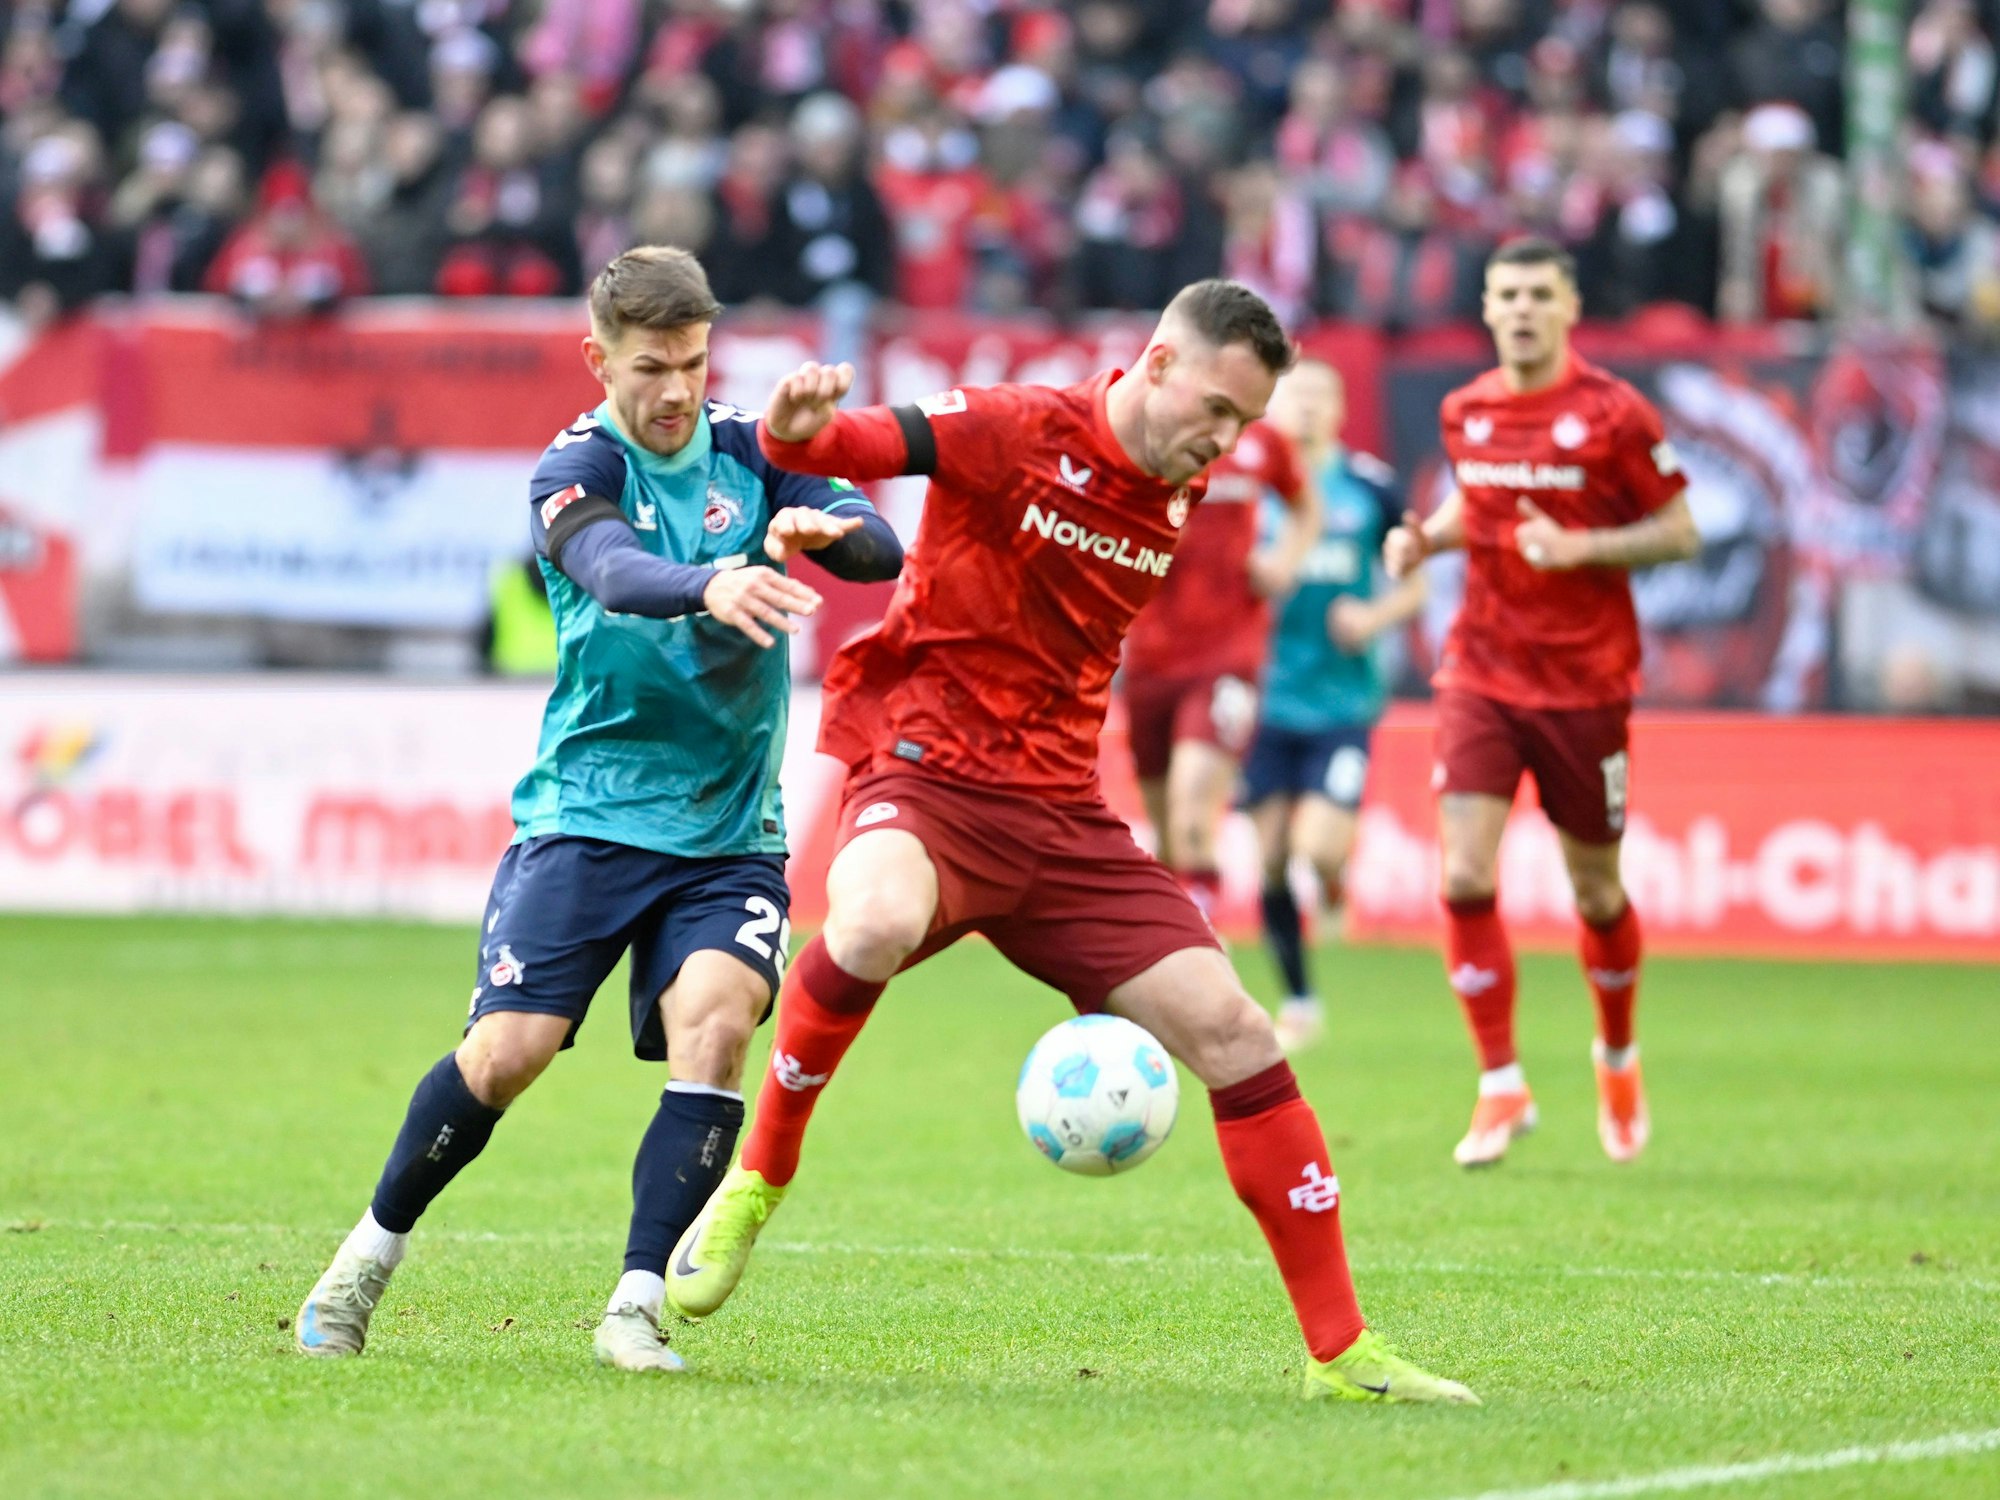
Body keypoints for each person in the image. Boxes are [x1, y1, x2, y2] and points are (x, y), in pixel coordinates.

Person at [667, 280, 1477, 1405]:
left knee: (1238, 1035)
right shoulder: (1013, 427)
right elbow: (859, 440)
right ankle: (757, 1176)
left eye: (1244, 424)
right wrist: (805, 437)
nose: (1224, 442)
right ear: (1152, 364)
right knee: (874, 918)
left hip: (1061, 821)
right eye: (1215, 409)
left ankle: (1340, 1355)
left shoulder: (1185, 487)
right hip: (926, 771)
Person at [292, 246, 902, 1371]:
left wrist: (820, 527)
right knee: (506, 1055)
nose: (675, 390)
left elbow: (880, 546)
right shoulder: (572, 466)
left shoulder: (750, 452)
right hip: (589, 814)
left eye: (693, 363)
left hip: (728, 835)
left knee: (714, 1025)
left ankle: (633, 1305)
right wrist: (714, 579)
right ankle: (363, 1261)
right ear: (598, 360)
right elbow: (614, 569)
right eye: (650, 366)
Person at [1382, 237, 1700, 1168]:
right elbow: (1474, 512)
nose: (1520, 309)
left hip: (1586, 685)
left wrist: (1582, 550)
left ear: (1568, 307)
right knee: (1466, 876)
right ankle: (1500, 1083)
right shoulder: (1466, 411)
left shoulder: (1614, 413)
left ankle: (1616, 1051)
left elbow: (1680, 532)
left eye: (1537, 294)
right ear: (1487, 308)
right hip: (1480, 673)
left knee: (1595, 889)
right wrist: (1426, 544)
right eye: (1506, 294)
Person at [1245, 359, 1425, 1055]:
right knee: (1268, 858)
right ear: (1274, 405)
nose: (1310, 408)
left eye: (1323, 396)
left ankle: (1335, 875)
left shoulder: (1369, 488)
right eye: (1297, 396)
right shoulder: (1250, 485)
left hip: (1343, 701)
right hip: (1264, 698)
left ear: (1342, 408)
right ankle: (1299, 998)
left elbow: (1415, 589)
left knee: (1314, 846)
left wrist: (1374, 617)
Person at [1118, 404, 1316, 921]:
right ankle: (1166, 951)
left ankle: (1204, 944)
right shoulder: (1144, 434)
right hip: (1149, 657)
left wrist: (1284, 563)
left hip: (1229, 656)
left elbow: (1305, 507)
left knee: (1192, 819)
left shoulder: (1262, 442)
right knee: (1165, 836)